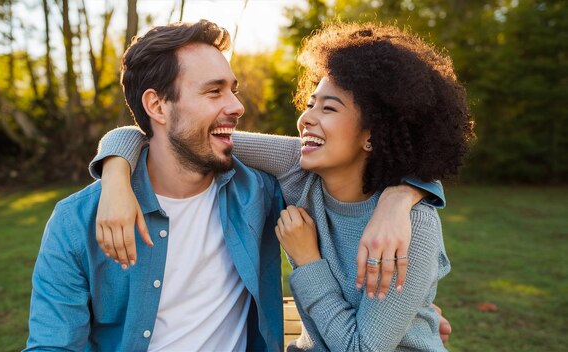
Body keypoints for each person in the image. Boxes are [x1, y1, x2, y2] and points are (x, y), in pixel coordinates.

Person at [90, 22, 471, 350]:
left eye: (329, 108)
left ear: (373, 135)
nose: (306, 119)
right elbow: (181, 135)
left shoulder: (413, 227)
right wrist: (115, 175)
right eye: (310, 103)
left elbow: (361, 348)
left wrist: (308, 261)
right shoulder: (298, 168)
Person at [25, 20, 287, 351]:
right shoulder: (77, 222)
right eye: (213, 91)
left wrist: (378, 209)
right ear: (157, 106)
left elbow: (322, 157)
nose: (237, 106)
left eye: (232, 90)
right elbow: (53, 345)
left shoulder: (258, 193)